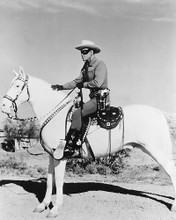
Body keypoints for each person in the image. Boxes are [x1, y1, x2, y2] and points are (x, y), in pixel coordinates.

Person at [51, 40, 109, 157]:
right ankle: (79, 140)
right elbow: (77, 81)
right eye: (81, 52)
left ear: (92, 52)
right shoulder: (85, 67)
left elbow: (97, 83)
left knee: (77, 114)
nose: (82, 54)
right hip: (93, 98)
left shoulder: (100, 64)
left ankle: (71, 145)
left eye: (85, 52)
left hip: (100, 99)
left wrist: (84, 85)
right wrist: (62, 86)